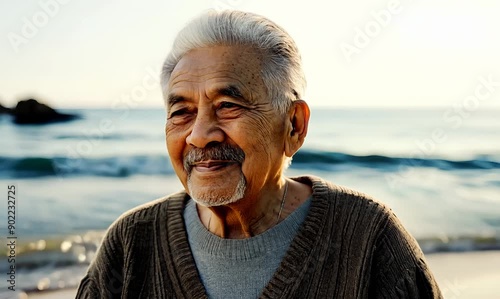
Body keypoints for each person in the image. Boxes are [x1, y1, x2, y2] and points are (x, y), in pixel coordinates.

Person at [76, 10, 442, 299]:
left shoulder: (368, 237)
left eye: (228, 105)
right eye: (181, 112)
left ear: (294, 126)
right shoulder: (131, 243)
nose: (199, 136)